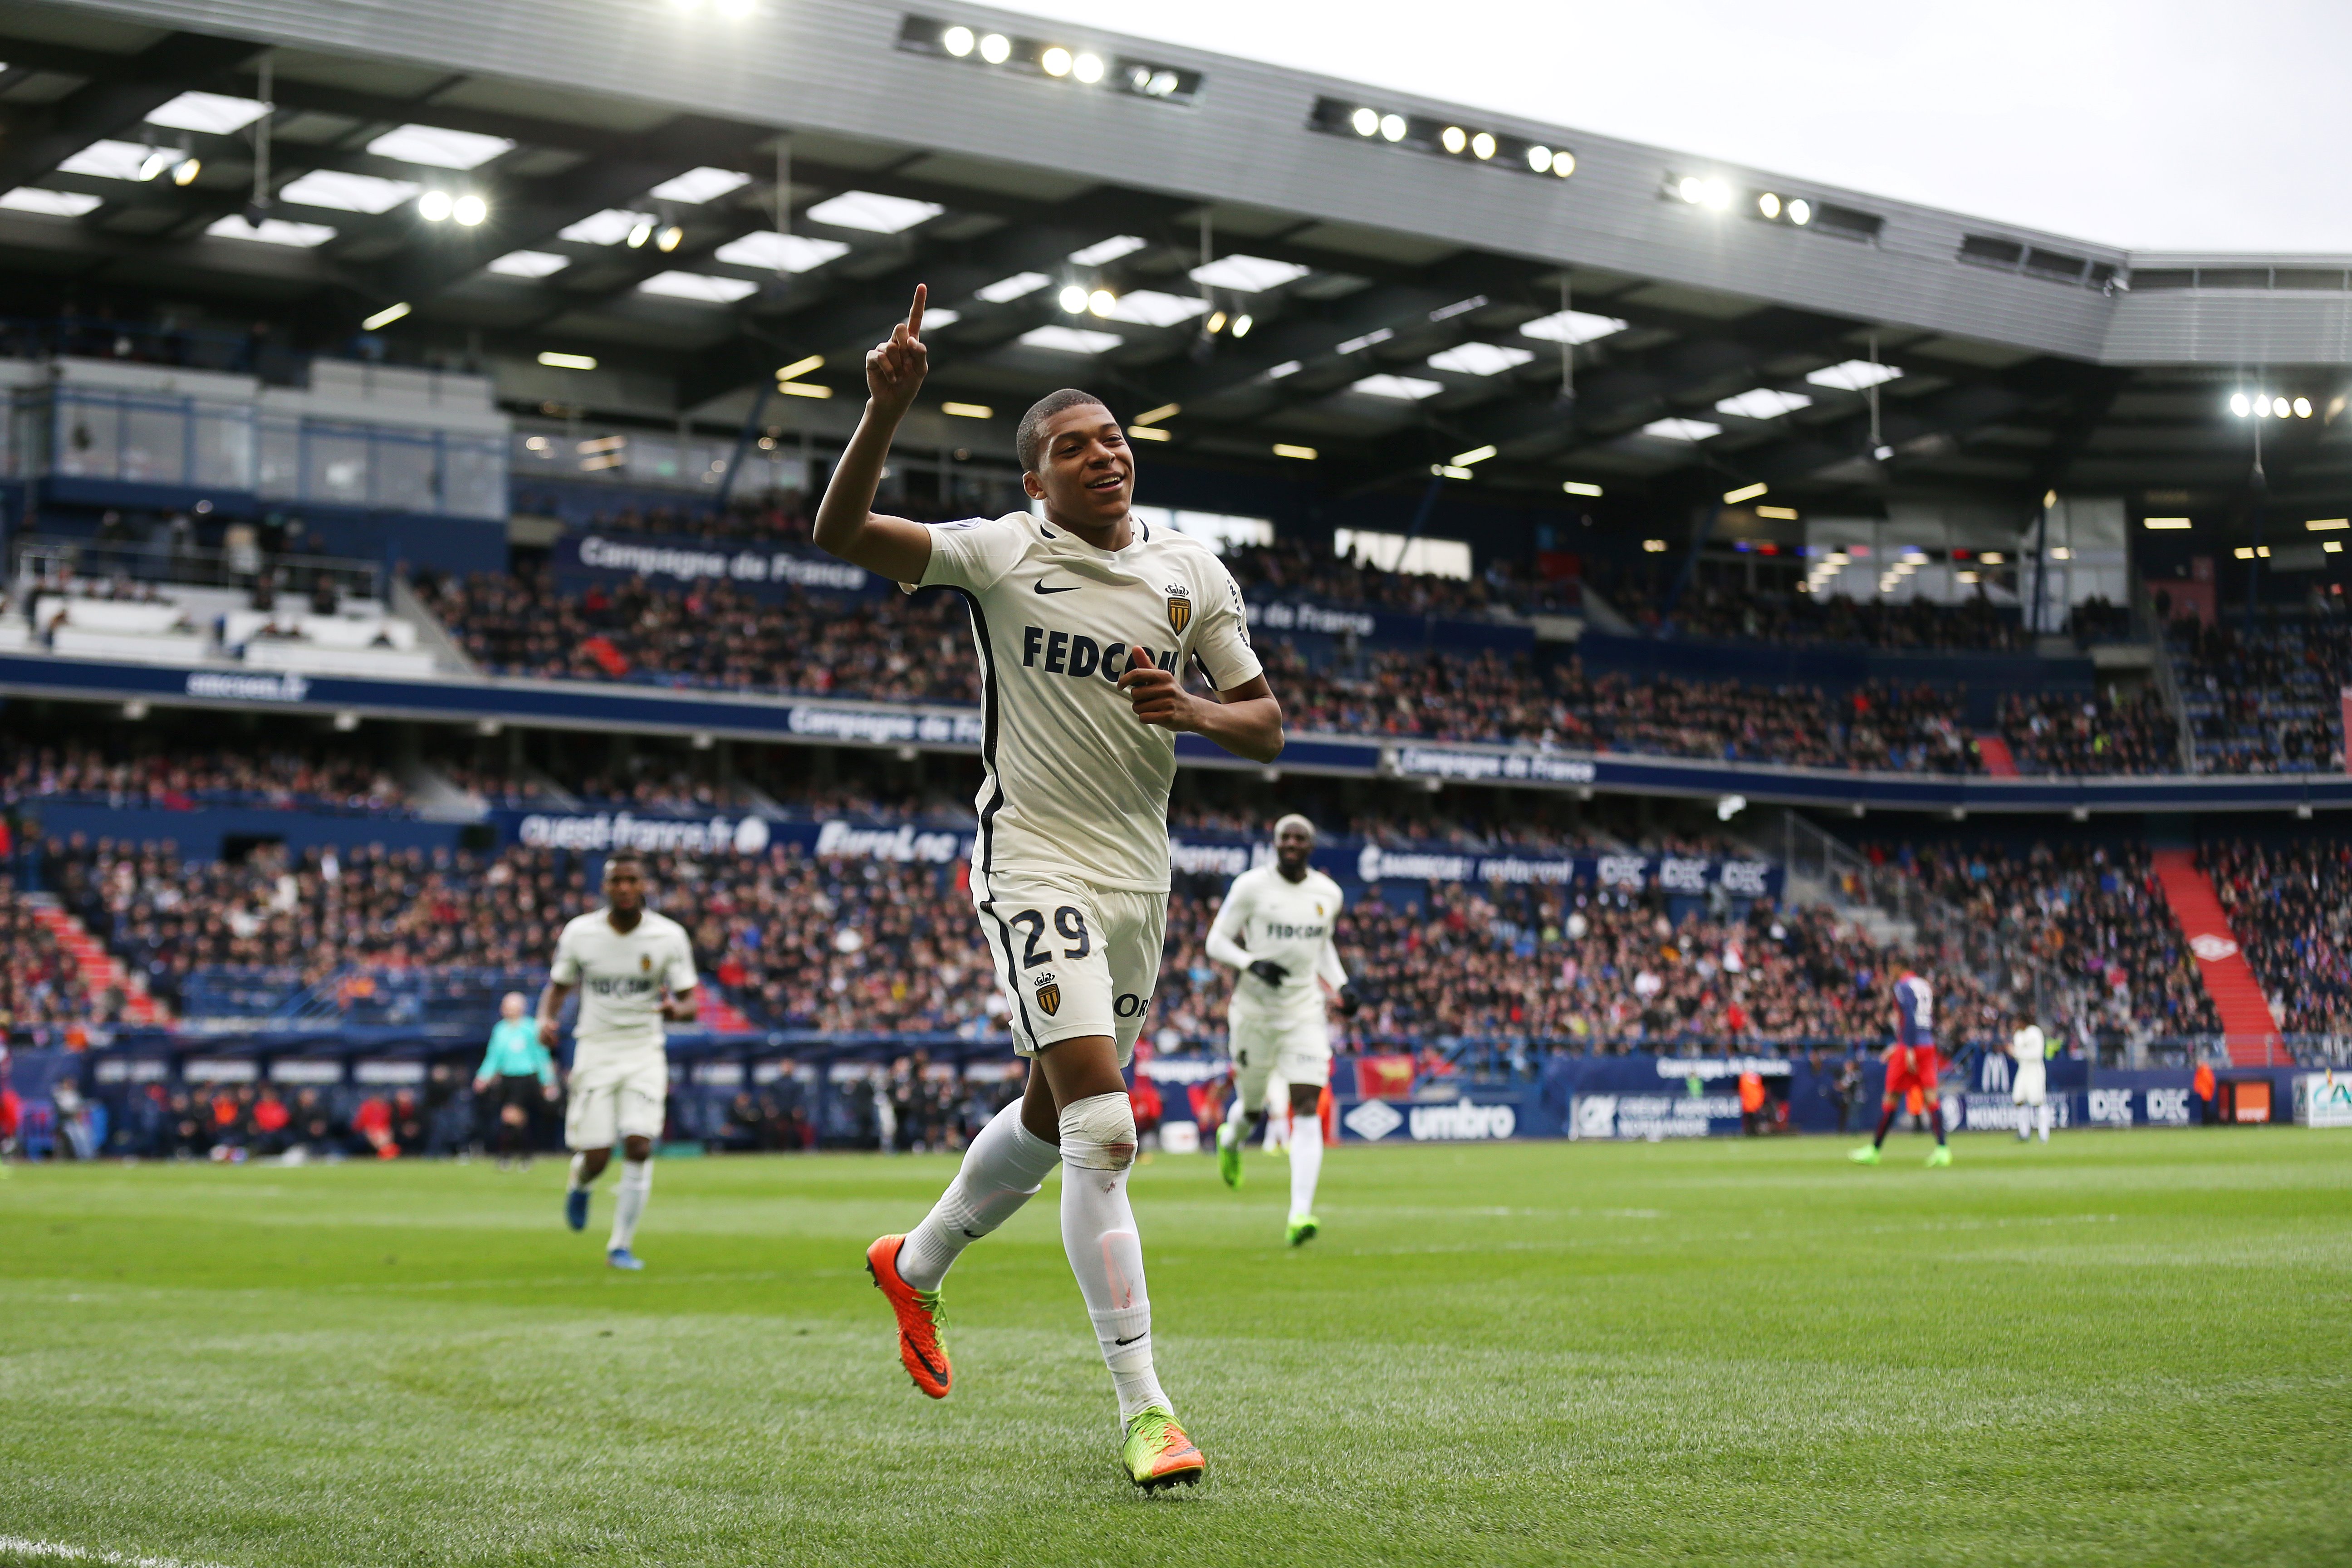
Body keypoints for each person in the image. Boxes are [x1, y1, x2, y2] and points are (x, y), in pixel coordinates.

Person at [816, 288, 1280, 1491]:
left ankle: (913, 1266)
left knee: (1047, 1114)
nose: (1103, 453)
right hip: (1033, 859)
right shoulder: (1003, 553)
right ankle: (1148, 1410)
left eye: (1113, 436)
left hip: (1141, 877)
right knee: (1106, 1125)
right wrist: (885, 410)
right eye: (1073, 446)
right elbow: (843, 530)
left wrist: (1197, 708)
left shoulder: (1192, 572)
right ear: (1037, 481)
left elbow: (1270, 727)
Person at [541, 851, 697, 1271]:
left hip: (644, 1051)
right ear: (606, 887)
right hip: (595, 1048)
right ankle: (579, 1183)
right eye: (617, 881)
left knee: (639, 1145)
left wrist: (674, 1012)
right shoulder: (580, 933)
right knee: (596, 1155)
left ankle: (620, 1246)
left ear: (643, 885)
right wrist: (546, 1019)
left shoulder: (668, 936)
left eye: (632, 880)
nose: (625, 888)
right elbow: (559, 985)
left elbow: (690, 1003)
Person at [1205, 814, 1356, 1245]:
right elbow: (1216, 940)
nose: (1292, 844)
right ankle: (1230, 1140)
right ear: (1275, 843)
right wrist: (1252, 962)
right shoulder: (1252, 887)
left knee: (1306, 1105)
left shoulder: (1329, 894)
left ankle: (1300, 1216)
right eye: (1285, 838)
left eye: (1300, 839)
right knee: (1251, 1109)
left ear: (1311, 846)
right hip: (1254, 1014)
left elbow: (1322, 945)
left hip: (1305, 1013)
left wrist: (1342, 986)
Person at [1850, 966, 1951, 1167]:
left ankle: (1874, 1151)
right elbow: (1926, 1020)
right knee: (1931, 1098)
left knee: (1891, 1098)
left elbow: (1910, 1017)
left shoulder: (1902, 986)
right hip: (1928, 1045)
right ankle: (1943, 1150)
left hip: (1911, 1047)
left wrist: (1907, 1048)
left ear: (1897, 968)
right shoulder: (1924, 985)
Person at [475, 990, 558, 1169]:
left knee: (510, 1116)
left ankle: (506, 1157)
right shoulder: (500, 1030)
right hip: (507, 1078)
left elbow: (541, 1056)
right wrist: (483, 1076)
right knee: (517, 1120)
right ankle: (525, 1156)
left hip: (526, 1078)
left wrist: (547, 1081)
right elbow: (494, 1056)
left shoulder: (531, 1028)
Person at [2009, 1014, 2053, 1143]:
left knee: (2038, 1101)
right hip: (2023, 1070)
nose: (2015, 1025)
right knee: (2018, 1100)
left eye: (2017, 1022)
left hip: (2035, 1070)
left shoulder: (2035, 1032)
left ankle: (2044, 1135)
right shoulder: (2018, 1036)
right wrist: (2014, 1053)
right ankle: (2024, 1134)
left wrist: (2017, 1053)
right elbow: (2019, 1056)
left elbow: (2038, 1054)